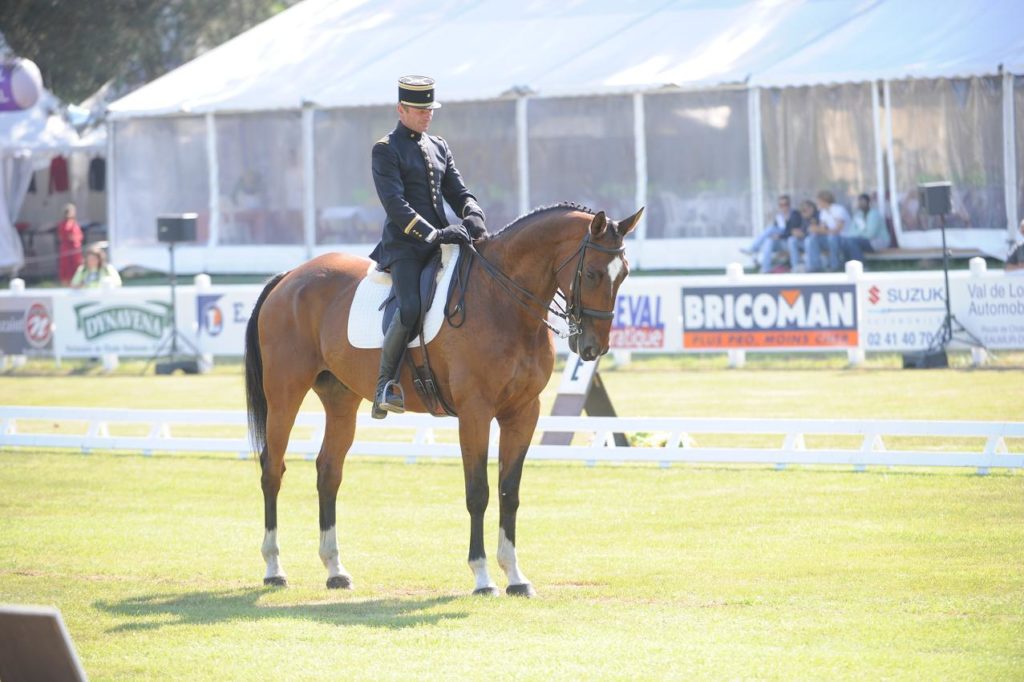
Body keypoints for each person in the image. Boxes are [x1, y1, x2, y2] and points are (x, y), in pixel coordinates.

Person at [369, 75, 487, 419]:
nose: (427, 115)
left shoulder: (439, 146)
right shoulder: (386, 149)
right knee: (409, 308)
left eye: (429, 109)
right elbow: (396, 205)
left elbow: (458, 192)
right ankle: (384, 385)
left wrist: (473, 214)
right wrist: (433, 234)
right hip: (406, 247)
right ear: (401, 109)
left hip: (441, 246)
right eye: (420, 109)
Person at [743, 195, 802, 272]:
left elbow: (792, 231)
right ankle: (765, 268)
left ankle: (753, 248)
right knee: (768, 241)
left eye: (786, 204)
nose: (784, 207)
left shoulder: (794, 214)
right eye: (781, 205)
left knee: (770, 229)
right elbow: (776, 230)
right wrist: (776, 236)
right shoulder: (779, 216)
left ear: (789, 204)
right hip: (781, 242)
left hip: (790, 241)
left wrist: (780, 235)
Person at [806, 190, 850, 272]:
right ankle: (815, 267)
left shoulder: (839, 210)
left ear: (824, 201)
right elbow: (823, 228)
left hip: (844, 239)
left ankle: (835, 266)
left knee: (831, 237)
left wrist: (820, 230)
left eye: (818, 202)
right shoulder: (823, 212)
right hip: (830, 237)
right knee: (812, 238)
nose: (817, 204)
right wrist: (815, 229)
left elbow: (837, 230)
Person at [842, 193, 891, 263]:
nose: (860, 203)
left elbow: (870, 234)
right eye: (859, 201)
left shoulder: (874, 215)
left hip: (878, 242)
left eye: (863, 201)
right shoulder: (858, 215)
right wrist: (861, 233)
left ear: (868, 202)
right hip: (863, 241)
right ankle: (847, 265)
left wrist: (858, 234)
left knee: (852, 241)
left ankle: (861, 265)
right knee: (846, 241)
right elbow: (850, 232)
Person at [787, 200, 818, 272]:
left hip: (816, 241)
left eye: (806, 209)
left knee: (809, 240)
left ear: (812, 208)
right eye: (803, 210)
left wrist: (804, 233)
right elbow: (799, 230)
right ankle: (795, 266)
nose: (804, 212)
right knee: (791, 240)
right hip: (804, 240)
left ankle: (810, 267)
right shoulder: (801, 218)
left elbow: (814, 231)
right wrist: (797, 233)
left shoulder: (817, 215)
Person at [56, 203, 83, 286]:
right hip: (69, 249)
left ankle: (77, 283)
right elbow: (69, 236)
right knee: (68, 268)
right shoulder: (66, 224)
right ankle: (68, 284)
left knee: (76, 267)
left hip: (75, 249)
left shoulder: (73, 223)